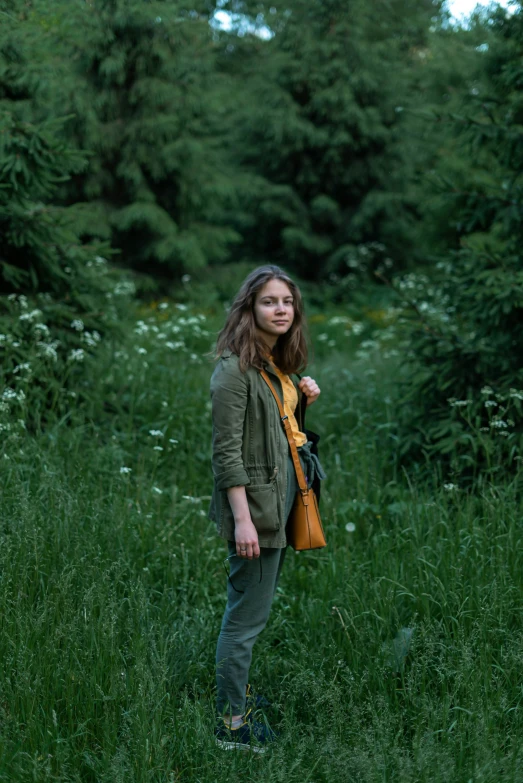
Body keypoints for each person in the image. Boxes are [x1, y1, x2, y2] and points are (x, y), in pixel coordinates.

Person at [208, 265, 326, 753]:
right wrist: (242, 520)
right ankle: (230, 726)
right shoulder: (234, 370)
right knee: (244, 621)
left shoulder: (274, 367)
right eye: (269, 302)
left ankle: (238, 704)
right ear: (249, 309)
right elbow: (227, 453)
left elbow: (276, 436)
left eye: (287, 302)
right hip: (255, 513)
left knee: (250, 616)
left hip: (277, 506)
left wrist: (300, 403)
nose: (280, 310)